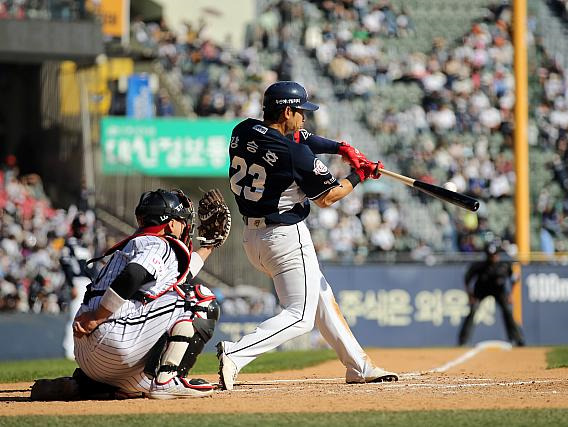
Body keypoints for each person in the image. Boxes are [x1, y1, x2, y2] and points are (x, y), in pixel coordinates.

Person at [217, 80, 398, 390]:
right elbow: (328, 197)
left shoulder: (243, 130)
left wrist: (340, 147)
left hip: (253, 237)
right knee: (300, 316)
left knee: (321, 297)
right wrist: (360, 175)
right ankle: (236, 352)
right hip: (285, 238)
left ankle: (359, 366)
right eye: (300, 111)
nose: (304, 117)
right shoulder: (294, 154)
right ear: (287, 111)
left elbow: (298, 138)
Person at [32, 188, 229, 401]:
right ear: (171, 224)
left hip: (88, 356)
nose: (184, 226)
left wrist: (208, 248)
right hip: (111, 338)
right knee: (200, 300)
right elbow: (135, 273)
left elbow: (179, 276)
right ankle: (166, 381)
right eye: (182, 220)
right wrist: (97, 317)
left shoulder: (137, 244)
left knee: (175, 296)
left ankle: (89, 385)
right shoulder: (159, 244)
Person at [458, 242, 525, 347]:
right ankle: (463, 341)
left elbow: (514, 279)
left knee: (507, 311)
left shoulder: (505, 265)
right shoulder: (480, 265)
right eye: (490, 255)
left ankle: (517, 339)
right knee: (473, 311)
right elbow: (467, 277)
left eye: (494, 255)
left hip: (499, 290)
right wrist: (470, 294)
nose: (493, 257)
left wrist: (511, 294)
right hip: (481, 290)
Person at [59, 212, 96, 360]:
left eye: (84, 226)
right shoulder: (69, 243)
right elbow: (66, 265)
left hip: (87, 283)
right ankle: (68, 349)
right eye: (80, 226)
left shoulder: (85, 245)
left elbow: (91, 268)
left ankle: (83, 350)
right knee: (75, 315)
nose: (83, 229)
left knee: (87, 316)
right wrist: (71, 284)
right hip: (77, 282)